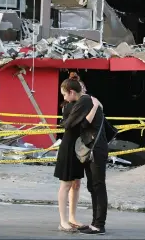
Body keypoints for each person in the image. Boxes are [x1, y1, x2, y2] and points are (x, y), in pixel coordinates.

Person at [60, 78, 108, 235]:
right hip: (92, 148)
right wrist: (95, 107)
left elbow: (69, 125)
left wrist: (94, 107)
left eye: (65, 94)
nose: (64, 98)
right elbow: (84, 124)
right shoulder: (89, 101)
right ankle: (95, 222)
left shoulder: (84, 100)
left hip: (95, 149)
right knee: (93, 186)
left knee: (97, 185)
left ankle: (99, 224)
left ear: (72, 92)